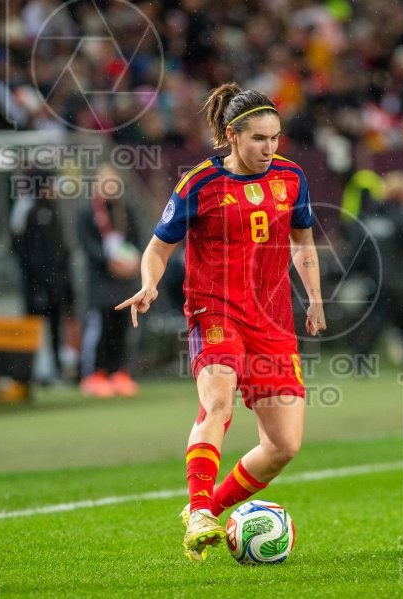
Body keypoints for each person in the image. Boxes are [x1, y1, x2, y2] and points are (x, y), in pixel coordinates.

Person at [115, 83, 326, 561]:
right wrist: (149, 284)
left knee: (283, 446)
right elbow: (158, 247)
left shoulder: (291, 179)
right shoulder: (199, 184)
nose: (269, 148)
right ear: (232, 136)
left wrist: (314, 298)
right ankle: (200, 512)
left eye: (275, 138)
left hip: (271, 318)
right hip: (215, 309)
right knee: (217, 404)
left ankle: (205, 510)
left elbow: (302, 243)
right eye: (258, 139)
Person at [350, 171, 403, 369]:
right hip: (395, 279)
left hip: (375, 280)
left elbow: (357, 251)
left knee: (378, 319)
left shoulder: (367, 216)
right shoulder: (397, 216)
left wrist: (350, 272)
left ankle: (360, 359)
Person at [76, 163, 143, 398]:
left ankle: (119, 372)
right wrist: (109, 261)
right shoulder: (87, 212)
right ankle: (94, 374)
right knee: (100, 327)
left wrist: (134, 261)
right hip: (100, 281)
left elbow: (136, 239)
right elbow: (88, 245)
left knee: (122, 328)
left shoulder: (126, 209)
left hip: (125, 281)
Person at [12, 171, 77, 382]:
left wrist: (63, 283)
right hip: (37, 286)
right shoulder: (31, 212)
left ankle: (55, 370)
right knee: (35, 330)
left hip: (55, 285)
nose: (55, 191)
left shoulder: (54, 211)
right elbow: (26, 253)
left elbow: (61, 252)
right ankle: (31, 372)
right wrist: (37, 283)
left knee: (56, 329)